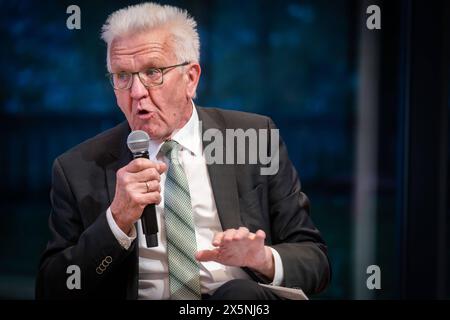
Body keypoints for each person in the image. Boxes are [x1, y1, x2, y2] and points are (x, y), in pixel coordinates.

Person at [36, 2, 330, 300]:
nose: (136, 92)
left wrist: (263, 259)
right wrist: (117, 221)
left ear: (191, 78)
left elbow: (315, 262)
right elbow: (53, 289)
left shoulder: (253, 138)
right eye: (122, 75)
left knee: (239, 294)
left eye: (153, 71)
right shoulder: (77, 168)